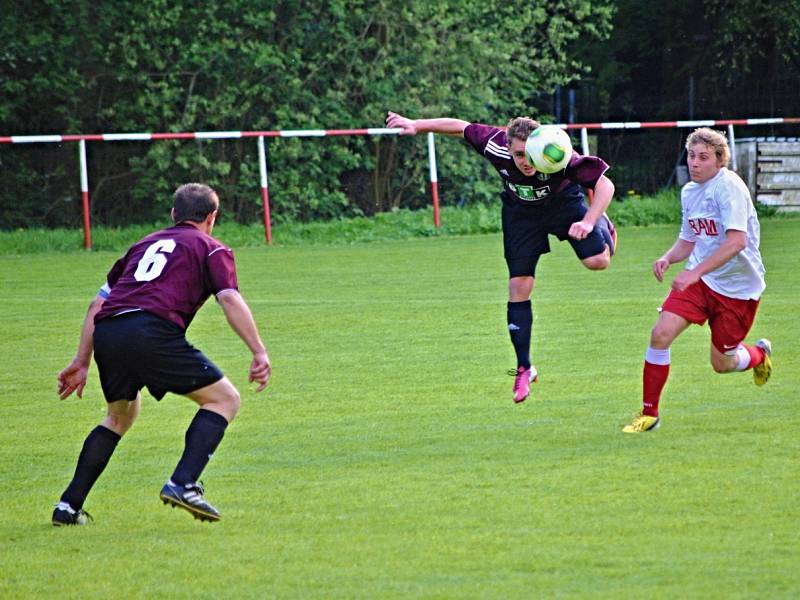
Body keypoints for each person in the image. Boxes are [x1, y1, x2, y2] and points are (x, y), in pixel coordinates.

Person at [52, 183, 271, 524]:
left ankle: (68, 506)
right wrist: (258, 351)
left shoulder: (142, 244)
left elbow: (98, 303)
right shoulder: (211, 247)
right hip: (150, 331)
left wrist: (82, 360)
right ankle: (183, 483)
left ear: (173, 214)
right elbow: (229, 297)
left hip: (109, 331)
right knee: (224, 400)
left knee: (119, 417)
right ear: (212, 217)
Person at [386, 111, 617, 403]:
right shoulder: (494, 144)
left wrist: (588, 220)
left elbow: (605, 184)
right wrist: (417, 125)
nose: (526, 162)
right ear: (507, 148)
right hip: (521, 214)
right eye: (519, 155)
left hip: (563, 205)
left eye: (530, 155)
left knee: (598, 262)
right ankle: (524, 367)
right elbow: (460, 127)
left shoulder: (553, 152)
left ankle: (603, 223)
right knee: (519, 286)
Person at [623, 128, 772, 433]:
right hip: (701, 284)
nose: (695, 162)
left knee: (722, 363)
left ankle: (758, 355)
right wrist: (668, 258)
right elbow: (689, 240)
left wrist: (694, 272)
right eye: (691, 155)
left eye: (703, 157)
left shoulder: (728, 186)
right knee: (660, 334)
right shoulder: (690, 191)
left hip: (738, 289)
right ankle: (649, 414)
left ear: (719, 160)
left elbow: (736, 242)